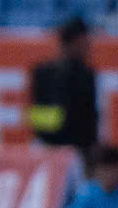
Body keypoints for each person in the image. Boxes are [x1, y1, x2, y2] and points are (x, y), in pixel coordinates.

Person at [28, 16, 99, 154]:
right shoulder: (43, 72)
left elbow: (91, 117)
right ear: (71, 43)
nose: (88, 48)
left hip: (78, 149)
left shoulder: (87, 74)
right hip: (47, 147)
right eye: (84, 43)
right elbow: (36, 114)